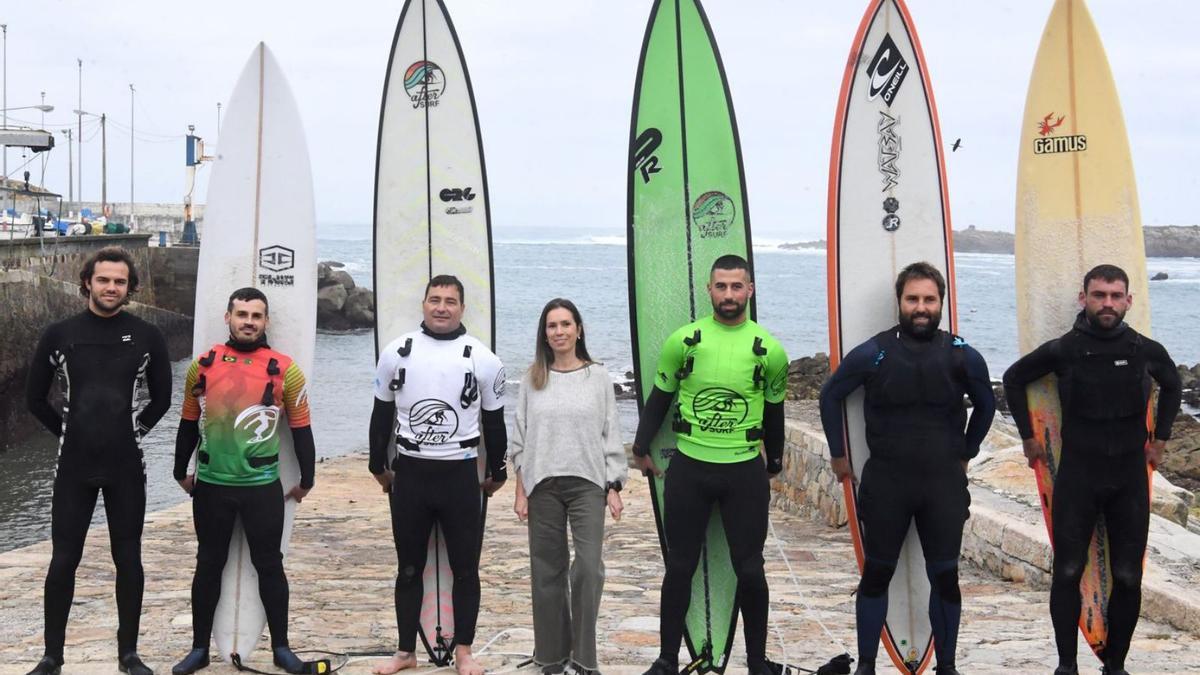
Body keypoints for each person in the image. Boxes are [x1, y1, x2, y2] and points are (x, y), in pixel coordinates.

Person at [1002, 264, 1180, 675]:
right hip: (1078, 476)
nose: (1108, 303)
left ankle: (1115, 666)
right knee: (1066, 571)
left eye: (1116, 296)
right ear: (1084, 299)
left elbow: (1172, 385)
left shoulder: (1144, 350)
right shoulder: (1064, 349)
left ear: (1128, 301)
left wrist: (1162, 439)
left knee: (1128, 576)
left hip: (1129, 480)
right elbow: (1013, 379)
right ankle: (1067, 665)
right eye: (1099, 295)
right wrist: (1029, 438)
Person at [817, 262, 994, 675]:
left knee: (946, 576)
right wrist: (838, 454)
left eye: (929, 299)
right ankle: (865, 666)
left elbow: (986, 406)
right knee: (877, 574)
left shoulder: (962, 355)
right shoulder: (874, 352)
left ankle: (946, 667)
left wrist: (968, 450)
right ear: (899, 302)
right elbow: (830, 396)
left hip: (943, 485)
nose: (920, 307)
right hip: (887, 484)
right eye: (912, 299)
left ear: (941, 304)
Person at [631, 254, 789, 675]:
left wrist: (773, 460)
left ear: (750, 290)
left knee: (751, 569)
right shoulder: (685, 340)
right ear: (709, 290)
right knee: (679, 566)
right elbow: (659, 399)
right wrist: (641, 445)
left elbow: (775, 413)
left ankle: (756, 663)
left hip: (743, 472)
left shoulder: (769, 350)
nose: (729, 295)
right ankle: (666, 659)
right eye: (721, 286)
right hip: (690, 468)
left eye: (737, 287)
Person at [25, 246, 172, 675]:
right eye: (104, 279)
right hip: (74, 468)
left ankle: (129, 654)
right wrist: (69, 434)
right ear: (87, 281)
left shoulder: (147, 335)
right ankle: (53, 656)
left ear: (130, 287)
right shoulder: (60, 333)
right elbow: (34, 399)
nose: (112, 287)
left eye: (120, 281)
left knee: (128, 560)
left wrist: (133, 434)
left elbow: (162, 399)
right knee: (63, 560)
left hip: (126, 467)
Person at [169, 287, 315, 675]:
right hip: (212, 486)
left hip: (261, 488)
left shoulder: (286, 369)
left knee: (270, 566)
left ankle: (282, 648)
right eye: (242, 314)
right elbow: (187, 421)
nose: (248, 321)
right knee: (208, 565)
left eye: (256, 315)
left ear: (266, 321)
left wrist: (308, 479)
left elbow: (301, 430)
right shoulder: (203, 365)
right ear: (228, 317)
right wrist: (179, 470)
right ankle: (199, 648)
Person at [368, 275, 508, 675]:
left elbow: (494, 424)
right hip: (411, 473)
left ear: (463, 308)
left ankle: (464, 651)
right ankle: (405, 651)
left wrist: (497, 470)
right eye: (435, 299)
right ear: (423, 304)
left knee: (465, 568)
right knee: (409, 567)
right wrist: (378, 466)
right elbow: (381, 416)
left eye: (450, 301)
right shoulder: (397, 351)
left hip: (460, 474)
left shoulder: (483, 358)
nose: (442, 307)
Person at [510, 298, 628, 675]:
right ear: (544, 334)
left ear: (579, 329)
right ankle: (550, 656)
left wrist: (614, 485)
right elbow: (521, 437)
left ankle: (584, 658)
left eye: (565, 324)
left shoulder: (598, 377)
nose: (558, 332)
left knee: (588, 569)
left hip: (588, 485)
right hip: (542, 483)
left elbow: (611, 434)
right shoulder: (532, 378)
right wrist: (520, 488)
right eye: (551, 326)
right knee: (547, 572)